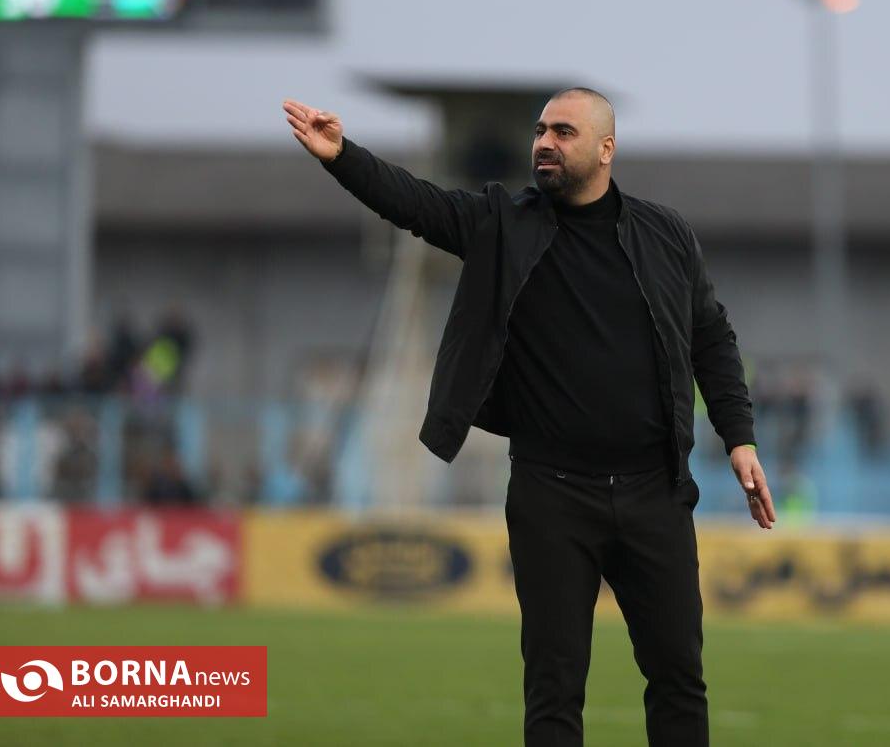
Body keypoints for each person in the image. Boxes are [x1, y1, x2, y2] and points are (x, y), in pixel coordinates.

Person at [283, 89, 775, 747]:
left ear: (605, 148)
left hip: (653, 492)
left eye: (563, 132)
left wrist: (739, 437)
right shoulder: (503, 223)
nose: (544, 142)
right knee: (553, 689)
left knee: (679, 678)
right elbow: (417, 204)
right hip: (552, 494)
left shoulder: (666, 234)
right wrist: (341, 155)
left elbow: (710, 337)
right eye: (541, 130)